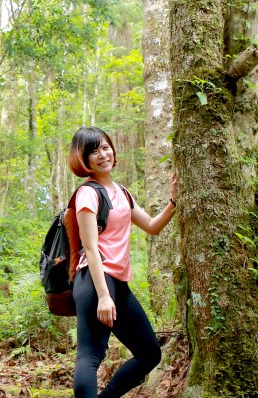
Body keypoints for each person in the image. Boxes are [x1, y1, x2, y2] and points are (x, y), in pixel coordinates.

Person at [63, 125, 177, 398]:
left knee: (149, 353)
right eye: (93, 151)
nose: (103, 154)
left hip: (119, 283)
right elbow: (90, 248)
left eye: (105, 147)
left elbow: (151, 226)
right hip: (95, 281)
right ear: (83, 159)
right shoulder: (87, 194)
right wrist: (103, 296)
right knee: (90, 357)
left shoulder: (122, 192)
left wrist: (175, 200)